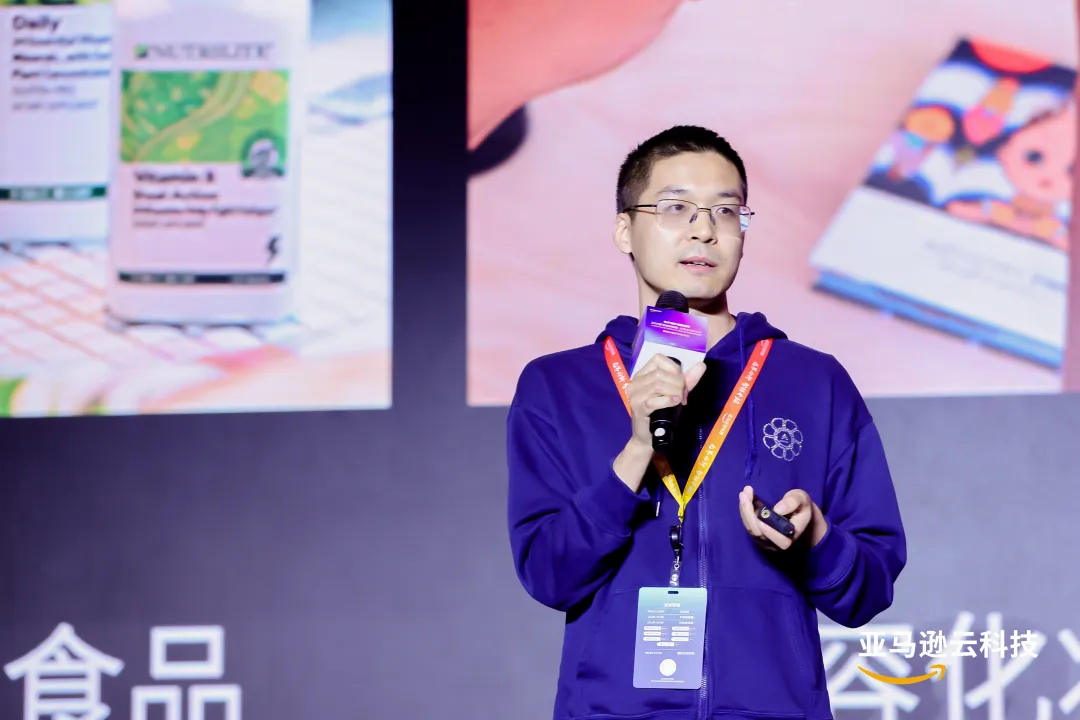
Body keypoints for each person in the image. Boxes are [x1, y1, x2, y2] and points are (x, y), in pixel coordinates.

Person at [505, 125, 907, 720]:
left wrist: (816, 539)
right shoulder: (558, 386)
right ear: (624, 230)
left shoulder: (813, 381)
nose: (704, 229)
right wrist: (636, 452)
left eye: (725, 210)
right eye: (675, 208)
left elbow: (869, 589)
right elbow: (549, 574)